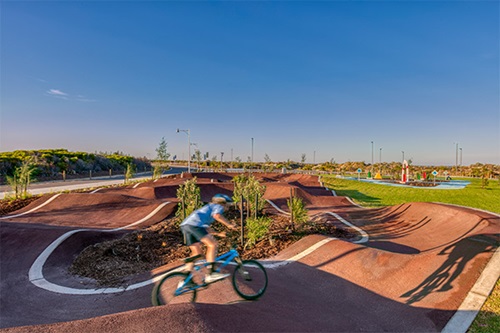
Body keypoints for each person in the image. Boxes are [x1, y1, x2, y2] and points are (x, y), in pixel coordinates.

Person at [180, 193, 238, 283]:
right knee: (212, 245)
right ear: (223, 203)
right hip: (194, 225)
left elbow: (206, 228)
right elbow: (217, 216)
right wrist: (229, 225)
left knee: (196, 253)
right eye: (228, 205)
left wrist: (218, 234)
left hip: (185, 225)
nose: (228, 208)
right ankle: (211, 273)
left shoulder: (208, 208)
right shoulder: (218, 206)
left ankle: (186, 279)